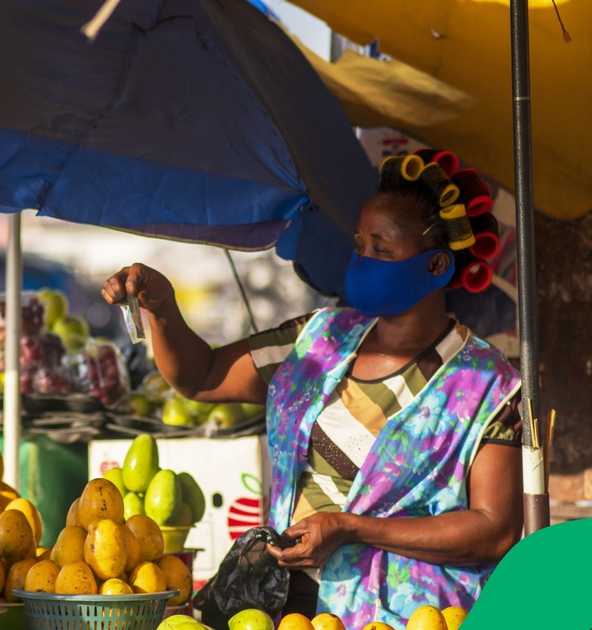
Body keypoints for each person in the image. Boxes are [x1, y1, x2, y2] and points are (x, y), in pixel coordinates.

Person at [102, 152, 521, 627]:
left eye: (381, 250)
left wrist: (350, 528)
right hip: (281, 606)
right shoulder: (317, 341)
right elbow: (203, 376)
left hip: (405, 615)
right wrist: (162, 309)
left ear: (436, 266)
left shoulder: (487, 386)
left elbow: (494, 530)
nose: (363, 260)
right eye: (361, 245)